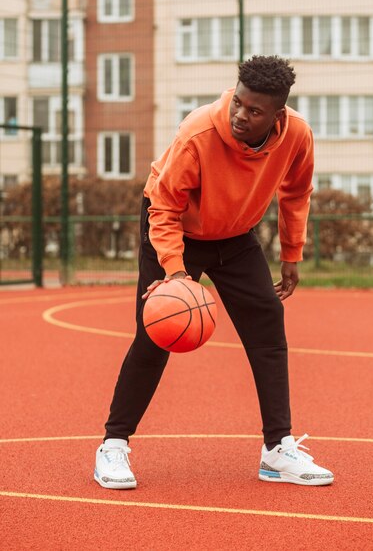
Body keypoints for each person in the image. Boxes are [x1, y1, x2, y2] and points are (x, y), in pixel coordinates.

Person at [94, 55, 334, 489]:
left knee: (268, 327)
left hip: (236, 233)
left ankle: (277, 449)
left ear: (277, 115)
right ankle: (113, 446)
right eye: (239, 103)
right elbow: (164, 206)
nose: (241, 115)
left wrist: (292, 252)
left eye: (255, 111)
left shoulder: (297, 134)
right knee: (154, 335)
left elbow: (297, 192)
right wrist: (174, 272)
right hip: (174, 226)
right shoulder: (200, 130)